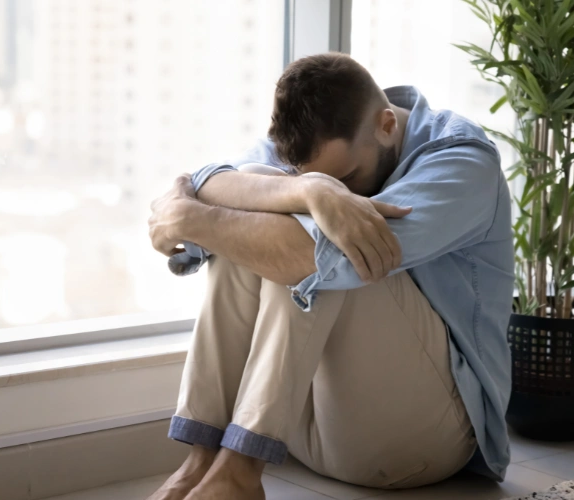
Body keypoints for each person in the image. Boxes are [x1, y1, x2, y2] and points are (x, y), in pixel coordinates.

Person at [146, 52, 513, 500]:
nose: (335, 187)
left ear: (386, 126)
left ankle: (239, 473)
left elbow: (306, 252)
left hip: (422, 440)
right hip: (303, 431)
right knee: (261, 194)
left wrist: (188, 218)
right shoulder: (312, 144)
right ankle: (204, 459)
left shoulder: (461, 160)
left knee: (329, 244)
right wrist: (308, 188)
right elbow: (214, 181)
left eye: (346, 176)